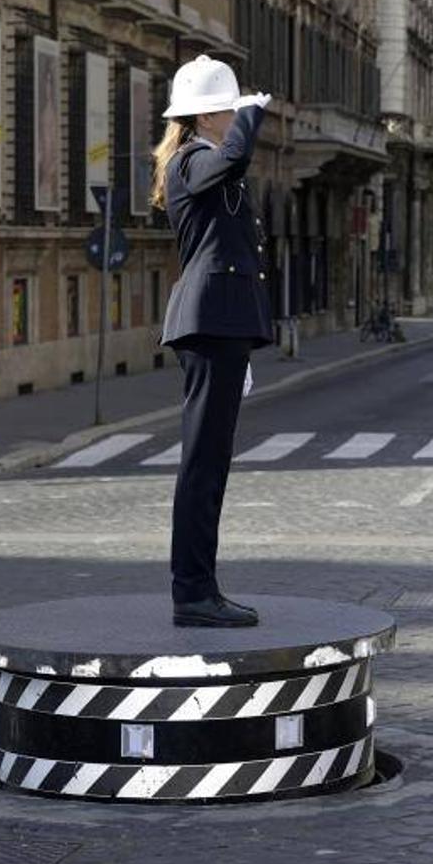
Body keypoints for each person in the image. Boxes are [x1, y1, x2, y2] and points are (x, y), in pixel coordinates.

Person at [151, 55, 272, 628]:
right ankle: (193, 592)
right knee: (202, 464)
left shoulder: (204, 160)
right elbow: (235, 157)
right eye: (229, 107)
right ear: (206, 116)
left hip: (222, 323)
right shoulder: (189, 161)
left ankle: (202, 587)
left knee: (212, 462)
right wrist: (250, 117)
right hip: (209, 320)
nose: (235, 115)